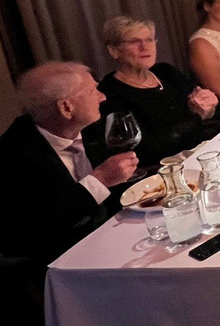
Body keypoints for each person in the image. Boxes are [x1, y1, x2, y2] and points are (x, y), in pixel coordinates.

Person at [0, 63, 139, 282]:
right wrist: (99, 181)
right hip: (65, 271)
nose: (102, 97)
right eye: (92, 91)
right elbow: (29, 234)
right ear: (66, 108)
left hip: (117, 240)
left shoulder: (92, 127)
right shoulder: (12, 156)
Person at [94, 16, 219, 166]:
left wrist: (209, 105)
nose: (144, 47)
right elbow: (146, 150)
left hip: (204, 152)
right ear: (114, 51)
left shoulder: (166, 72)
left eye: (149, 40)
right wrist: (194, 115)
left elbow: (206, 111)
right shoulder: (109, 93)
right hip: (164, 169)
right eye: (134, 41)